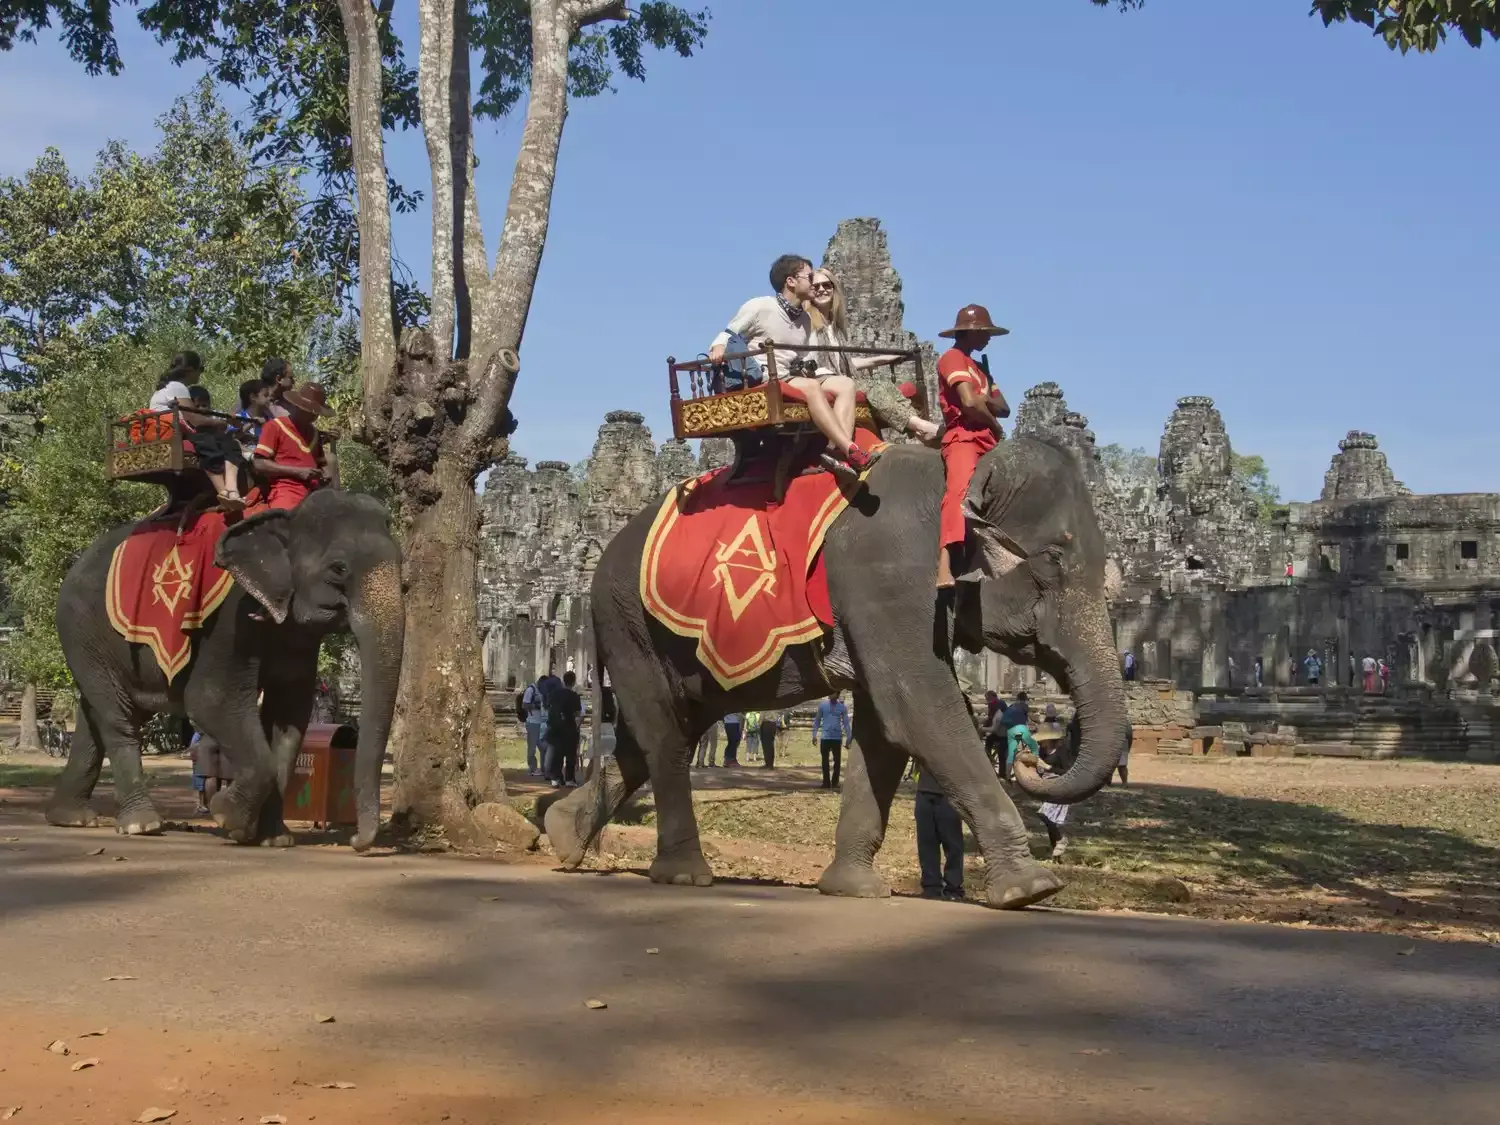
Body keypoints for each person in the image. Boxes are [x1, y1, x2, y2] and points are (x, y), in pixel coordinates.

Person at [707, 254, 877, 472]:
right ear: (791, 281)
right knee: (812, 387)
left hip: (791, 376)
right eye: (810, 276)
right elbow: (728, 333)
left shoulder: (805, 320)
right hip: (763, 378)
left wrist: (830, 374)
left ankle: (836, 449)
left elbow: (806, 360)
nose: (814, 281)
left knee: (845, 384)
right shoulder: (760, 306)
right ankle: (851, 449)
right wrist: (718, 347)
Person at [805, 267, 940, 444]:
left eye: (826, 285)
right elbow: (811, 361)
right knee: (872, 388)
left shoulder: (834, 326)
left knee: (881, 384)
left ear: (834, 289)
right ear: (809, 292)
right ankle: (921, 427)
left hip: (841, 378)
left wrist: (881, 359)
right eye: (815, 287)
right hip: (822, 381)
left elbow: (843, 363)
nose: (822, 289)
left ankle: (918, 427)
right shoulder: (806, 322)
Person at [934, 305, 1010, 587]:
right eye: (985, 332)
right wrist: (994, 422)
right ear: (972, 332)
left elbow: (1004, 407)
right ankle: (944, 565)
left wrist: (985, 398)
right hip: (964, 435)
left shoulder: (979, 368)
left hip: (988, 438)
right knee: (959, 491)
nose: (988, 338)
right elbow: (967, 402)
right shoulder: (952, 358)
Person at [149, 351, 249, 512]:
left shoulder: (164, 388)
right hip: (173, 433)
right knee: (209, 443)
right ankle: (223, 492)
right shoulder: (178, 387)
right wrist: (221, 423)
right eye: (200, 369)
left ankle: (231, 490)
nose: (200, 374)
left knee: (228, 443)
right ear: (190, 369)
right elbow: (195, 420)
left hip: (170, 432)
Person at [253, 382, 338, 510]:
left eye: (316, 413)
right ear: (298, 406)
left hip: (315, 492)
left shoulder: (314, 433)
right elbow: (259, 463)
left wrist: (325, 475)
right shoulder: (275, 426)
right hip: (286, 489)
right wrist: (297, 472)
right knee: (290, 520)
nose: (313, 416)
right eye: (309, 411)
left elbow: (322, 465)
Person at [913, 761, 964, 900]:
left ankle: (954, 889)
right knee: (926, 842)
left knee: (952, 844)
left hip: (949, 793)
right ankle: (931, 887)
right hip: (924, 791)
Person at [544, 670, 583, 788]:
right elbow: (577, 713)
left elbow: (548, 706)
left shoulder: (555, 693)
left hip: (555, 727)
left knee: (557, 754)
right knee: (570, 754)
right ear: (574, 682)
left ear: (563, 680)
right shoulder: (574, 696)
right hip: (569, 727)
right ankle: (569, 779)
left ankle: (556, 778)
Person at [812, 692, 851, 789]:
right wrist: (814, 734)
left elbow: (846, 723)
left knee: (837, 761)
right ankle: (826, 782)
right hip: (825, 737)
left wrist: (849, 737)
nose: (830, 694)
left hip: (836, 737)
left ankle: (835, 782)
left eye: (832, 692)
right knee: (825, 761)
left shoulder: (842, 707)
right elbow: (817, 720)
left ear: (837, 694)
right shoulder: (823, 705)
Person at [1000, 691, 1039, 780]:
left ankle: (1008, 776)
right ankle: (1036, 771)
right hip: (1019, 730)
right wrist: (1036, 724)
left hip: (1010, 731)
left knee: (1011, 753)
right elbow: (1028, 720)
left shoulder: (1012, 706)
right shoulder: (1024, 706)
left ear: (1017, 698)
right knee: (1034, 747)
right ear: (1025, 699)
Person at [235, 378, 273, 457]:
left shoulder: (271, 421)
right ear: (253, 397)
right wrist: (251, 423)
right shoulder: (238, 418)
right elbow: (232, 437)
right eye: (266, 395)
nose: (270, 398)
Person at [522, 679, 546, 776]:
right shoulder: (531, 690)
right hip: (532, 722)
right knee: (532, 747)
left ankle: (544, 768)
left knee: (543, 747)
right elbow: (524, 705)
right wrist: (536, 706)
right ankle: (533, 768)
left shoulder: (544, 691)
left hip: (542, 722)